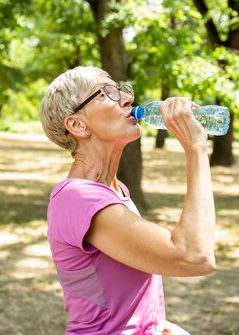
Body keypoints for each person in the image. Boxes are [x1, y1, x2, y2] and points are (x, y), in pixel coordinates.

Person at [39, 66, 216, 335]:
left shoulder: (115, 191)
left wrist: (159, 326)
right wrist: (196, 147)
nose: (126, 98)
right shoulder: (77, 198)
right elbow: (194, 256)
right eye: (106, 92)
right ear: (77, 125)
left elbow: (118, 301)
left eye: (122, 89)